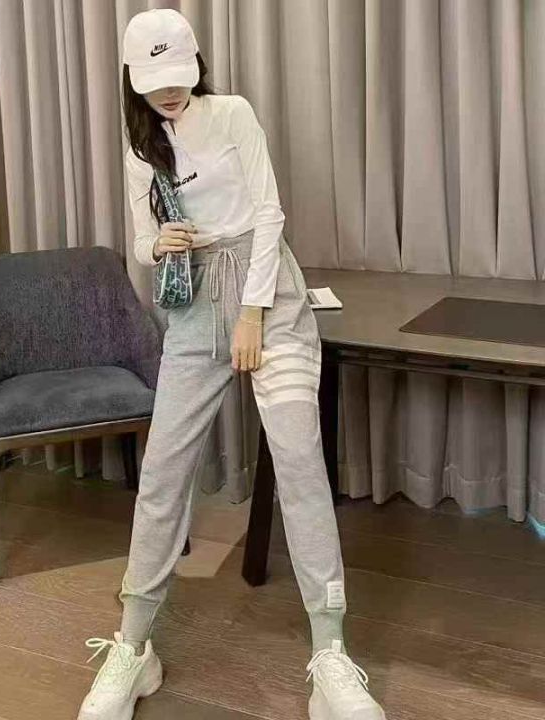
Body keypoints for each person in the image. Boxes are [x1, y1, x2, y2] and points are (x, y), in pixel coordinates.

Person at [78, 9, 386, 720]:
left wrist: (252, 314)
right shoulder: (140, 145)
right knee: (163, 475)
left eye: (178, 76)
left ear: (197, 65)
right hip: (193, 309)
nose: (170, 92)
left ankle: (331, 653)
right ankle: (133, 647)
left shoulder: (234, 114)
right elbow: (140, 242)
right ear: (132, 79)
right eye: (154, 81)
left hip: (267, 296)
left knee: (300, 464)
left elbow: (269, 213)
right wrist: (159, 244)